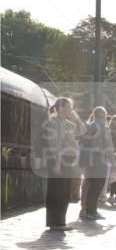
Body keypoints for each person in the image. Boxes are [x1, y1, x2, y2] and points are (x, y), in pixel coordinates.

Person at [38, 97, 86, 231]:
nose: (72, 110)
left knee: (65, 191)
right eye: (70, 107)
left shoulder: (68, 123)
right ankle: (55, 223)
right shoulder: (54, 123)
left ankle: (60, 222)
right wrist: (57, 163)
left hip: (67, 161)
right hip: (59, 160)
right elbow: (55, 144)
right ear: (61, 108)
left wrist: (76, 118)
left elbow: (82, 131)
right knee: (57, 191)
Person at [79, 106, 115, 220]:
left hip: (88, 159)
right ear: (104, 116)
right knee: (98, 185)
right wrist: (113, 161)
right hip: (99, 159)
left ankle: (87, 210)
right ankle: (91, 211)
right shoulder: (104, 128)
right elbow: (108, 146)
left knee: (90, 185)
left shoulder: (88, 127)